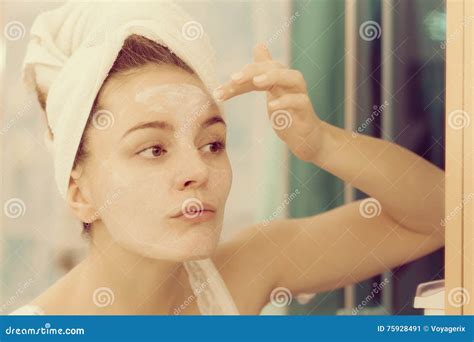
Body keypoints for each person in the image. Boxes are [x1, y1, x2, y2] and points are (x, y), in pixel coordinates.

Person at [10, 2, 444, 316]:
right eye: (154, 149)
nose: (198, 171)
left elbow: (444, 214)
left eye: (212, 144)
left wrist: (321, 144)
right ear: (79, 192)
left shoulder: (245, 270)